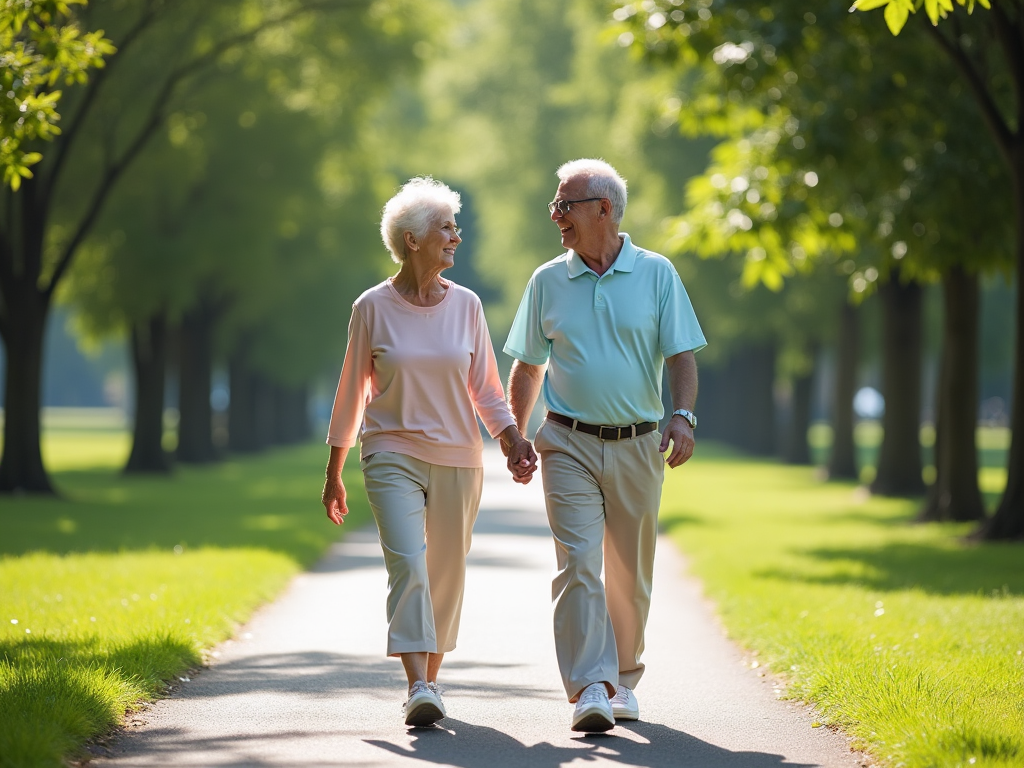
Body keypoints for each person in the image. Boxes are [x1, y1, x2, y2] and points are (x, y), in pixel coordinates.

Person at [321, 177, 537, 727]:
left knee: (446, 572)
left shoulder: (467, 306)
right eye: (446, 228)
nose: (456, 238)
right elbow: (352, 390)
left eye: (455, 228)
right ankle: (417, 682)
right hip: (390, 451)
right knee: (409, 565)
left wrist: (512, 441)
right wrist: (334, 471)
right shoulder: (371, 307)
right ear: (412, 238)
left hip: (459, 457)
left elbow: (486, 387)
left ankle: (430, 684)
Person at [504, 159, 706, 733]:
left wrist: (683, 416)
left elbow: (682, 355)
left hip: (639, 444)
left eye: (565, 205)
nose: (555, 215)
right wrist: (517, 435)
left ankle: (623, 676)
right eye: (555, 204)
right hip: (565, 441)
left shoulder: (657, 273)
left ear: (604, 209)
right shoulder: (547, 279)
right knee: (578, 565)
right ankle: (590, 685)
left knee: (629, 573)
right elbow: (528, 364)